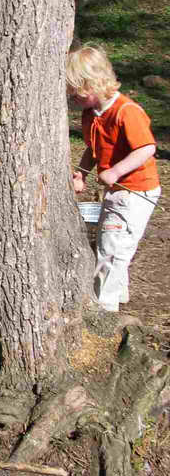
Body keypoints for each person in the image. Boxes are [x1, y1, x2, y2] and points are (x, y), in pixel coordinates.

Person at [67, 45, 161, 312]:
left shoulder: (125, 111)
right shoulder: (91, 114)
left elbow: (146, 148)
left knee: (112, 248)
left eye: (76, 92)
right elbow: (92, 147)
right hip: (115, 191)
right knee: (112, 243)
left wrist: (116, 171)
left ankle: (104, 309)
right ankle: (118, 294)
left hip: (135, 192)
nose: (72, 98)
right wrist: (82, 174)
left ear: (93, 84)